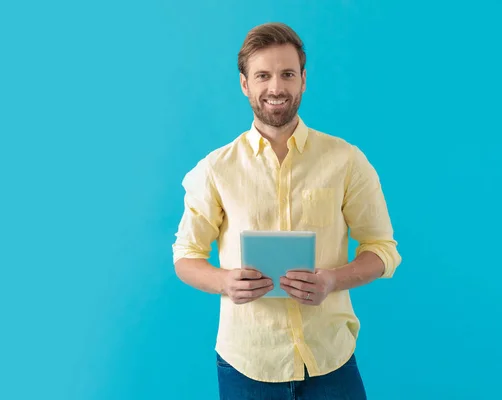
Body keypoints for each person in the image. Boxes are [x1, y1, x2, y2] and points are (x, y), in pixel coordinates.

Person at [172, 22, 402, 400]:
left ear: (303, 80)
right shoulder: (214, 169)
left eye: (287, 74)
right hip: (247, 362)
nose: (276, 88)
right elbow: (185, 256)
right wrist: (224, 282)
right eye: (263, 75)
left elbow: (383, 249)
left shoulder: (346, 161)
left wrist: (332, 280)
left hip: (330, 359)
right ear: (245, 84)